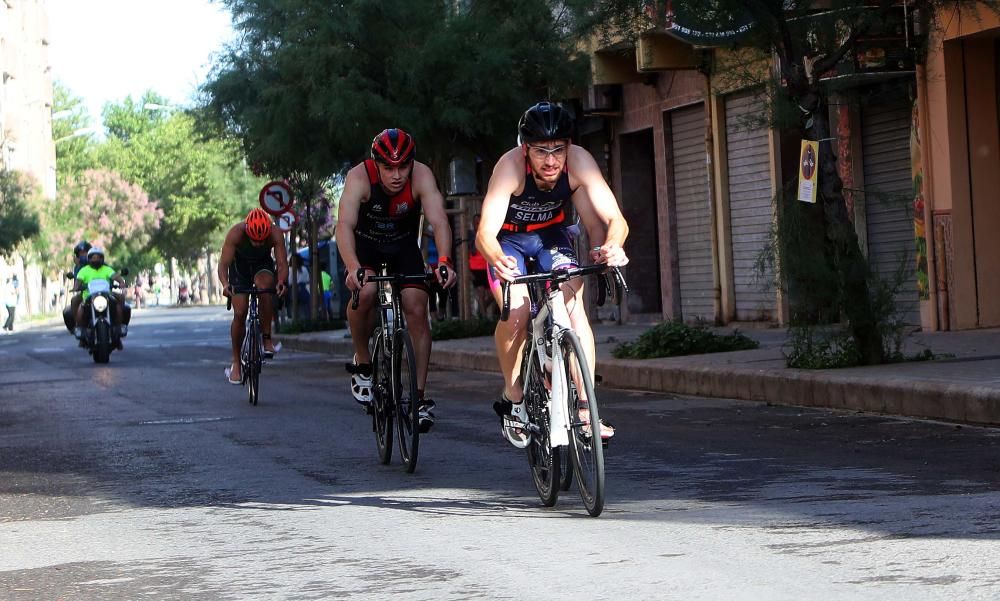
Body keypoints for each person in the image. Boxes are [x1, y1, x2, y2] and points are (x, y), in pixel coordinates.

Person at [475, 101, 630, 448]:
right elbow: (484, 233)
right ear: (525, 149)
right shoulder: (510, 168)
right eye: (541, 151)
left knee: (574, 307)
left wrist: (612, 246)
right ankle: (514, 397)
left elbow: (612, 220)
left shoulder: (580, 164)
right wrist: (497, 259)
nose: (550, 160)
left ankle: (586, 406)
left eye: (558, 150)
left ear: (569, 147)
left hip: (552, 238)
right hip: (508, 241)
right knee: (516, 312)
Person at [335, 127, 457, 432]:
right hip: (365, 247)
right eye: (389, 167)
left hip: (403, 247)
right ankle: (363, 363)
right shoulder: (359, 178)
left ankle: (418, 398)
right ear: (376, 163)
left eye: (403, 166)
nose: (397, 175)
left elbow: (439, 220)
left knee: (417, 307)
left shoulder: (423, 175)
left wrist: (444, 261)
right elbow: (344, 226)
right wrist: (353, 267)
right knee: (365, 293)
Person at [218, 208, 289, 385]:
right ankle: (236, 363)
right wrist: (226, 285)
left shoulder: (275, 233)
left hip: (262, 265)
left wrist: (281, 281)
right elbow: (223, 264)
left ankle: (266, 340)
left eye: (261, 240)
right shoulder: (235, 233)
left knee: (265, 288)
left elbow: (281, 263)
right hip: (239, 268)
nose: (257, 244)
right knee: (240, 312)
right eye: (253, 240)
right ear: (246, 231)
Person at [73, 248, 129, 341]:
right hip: (88, 296)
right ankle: (80, 328)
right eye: (93, 258)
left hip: (107, 295)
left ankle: (119, 326)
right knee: (81, 308)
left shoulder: (107, 269)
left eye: (98, 257)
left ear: (102, 259)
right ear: (89, 259)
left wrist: (121, 283)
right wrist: (76, 287)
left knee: (119, 303)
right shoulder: (84, 270)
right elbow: (78, 282)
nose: (95, 260)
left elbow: (116, 277)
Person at [468, 213, 495, 318]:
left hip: (488, 267)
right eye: (476, 223)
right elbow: (467, 255)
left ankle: (482, 310)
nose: (478, 225)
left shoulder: (489, 234)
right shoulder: (470, 237)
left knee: (492, 294)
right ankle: (484, 319)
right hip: (475, 269)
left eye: (480, 222)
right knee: (481, 293)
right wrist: (469, 272)